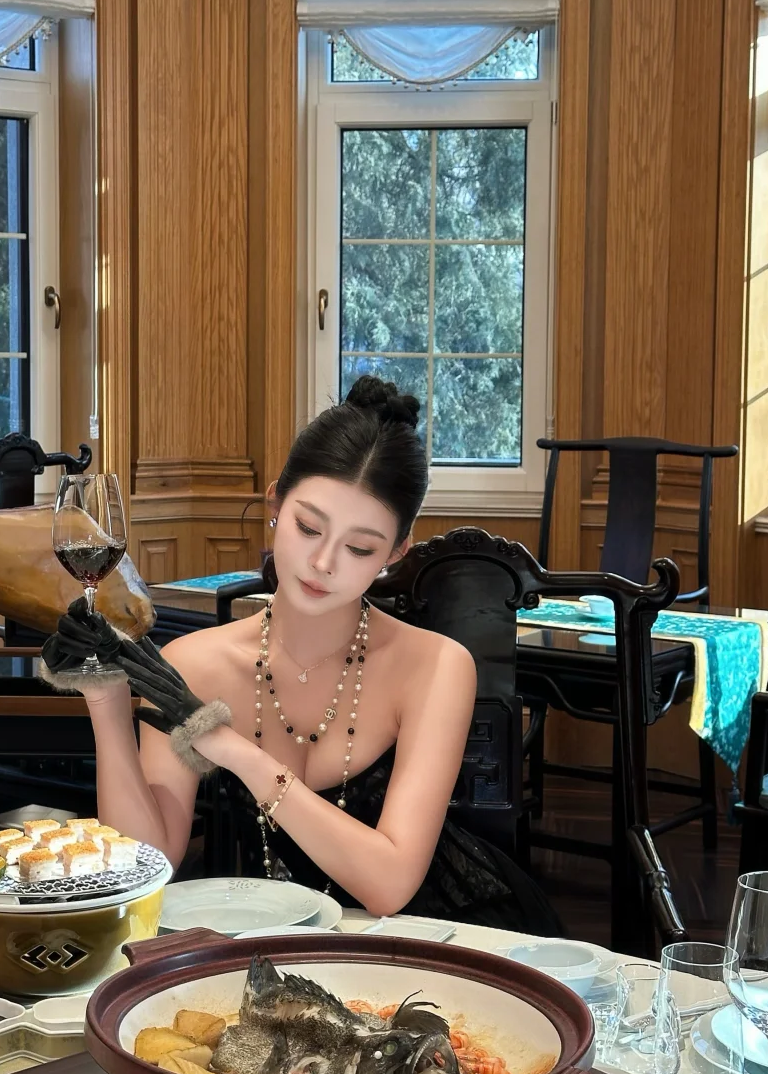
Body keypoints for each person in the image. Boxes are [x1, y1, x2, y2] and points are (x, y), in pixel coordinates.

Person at [41, 376, 562, 932]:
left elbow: (389, 886)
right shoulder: (193, 663)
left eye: (359, 547)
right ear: (275, 504)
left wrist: (235, 751)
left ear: (395, 552)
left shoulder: (437, 667)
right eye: (308, 527)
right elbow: (151, 863)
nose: (323, 563)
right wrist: (106, 700)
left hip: (424, 930)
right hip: (258, 936)